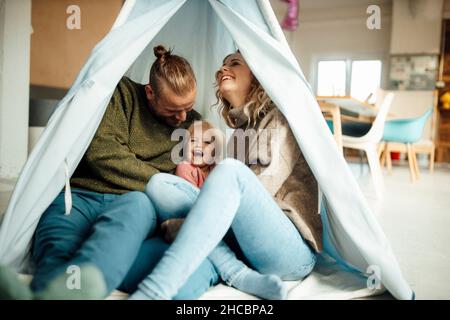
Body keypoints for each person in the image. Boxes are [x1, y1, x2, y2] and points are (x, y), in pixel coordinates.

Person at [0, 45, 220, 300]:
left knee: (122, 230)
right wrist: (160, 181)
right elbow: (102, 153)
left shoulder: (193, 124)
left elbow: (192, 181)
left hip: (137, 202)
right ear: (150, 92)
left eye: (188, 106)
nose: (183, 117)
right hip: (80, 195)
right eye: (172, 110)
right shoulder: (121, 94)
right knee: (58, 249)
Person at [129, 51, 323, 300]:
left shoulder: (278, 119)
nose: (223, 69)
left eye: (234, 63)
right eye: (222, 64)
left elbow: (256, 195)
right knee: (159, 185)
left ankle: (154, 291)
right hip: (247, 248)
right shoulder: (240, 132)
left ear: (257, 76)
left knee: (228, 171)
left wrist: (187, 225)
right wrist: (201, 219)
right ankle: (237, 274)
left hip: (290, 252)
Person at [130, 120, 287, 300]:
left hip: (219, 222)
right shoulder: (185, 168)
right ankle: (237, 273)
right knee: (161, 185)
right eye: (193, 141)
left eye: (206, 142)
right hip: (197, 217)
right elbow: (197, 204)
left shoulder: (219, 170)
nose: (198, 146)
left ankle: (237, 271)